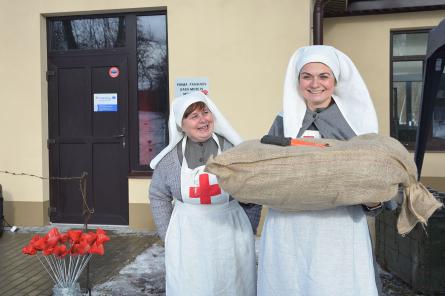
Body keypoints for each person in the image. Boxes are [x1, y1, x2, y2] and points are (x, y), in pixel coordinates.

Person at [258, 45, 382, 296]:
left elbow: (374, 185)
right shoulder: (283, 121)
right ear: (298, 81)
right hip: (288, 230)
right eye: (307, 76)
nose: (315, 83)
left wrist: (373, 200)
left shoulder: (357, 123)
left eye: (323, 76)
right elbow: (267, 168)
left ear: (335, 81)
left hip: (338, 230)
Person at [149, 91, 260, 296]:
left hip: (231, 232)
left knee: (233, 285)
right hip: (187, 235)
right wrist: (168, 233)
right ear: (181, 124)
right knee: (191, 285)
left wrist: (247, 227)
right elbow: (158, 195)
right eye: (194, 116)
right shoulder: (170, 159)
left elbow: (253, 189)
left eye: (205, 113)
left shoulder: (233, 151)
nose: (203, 120)